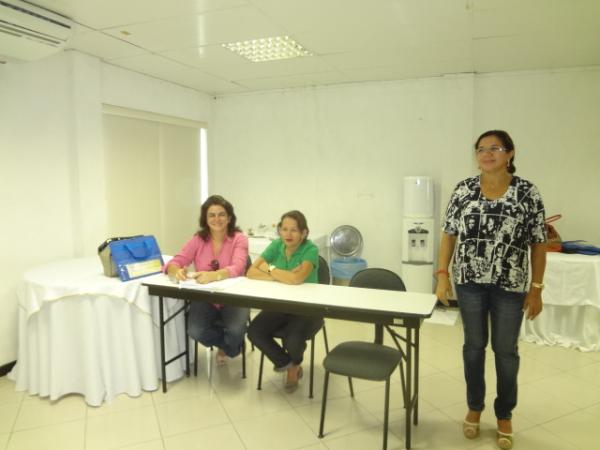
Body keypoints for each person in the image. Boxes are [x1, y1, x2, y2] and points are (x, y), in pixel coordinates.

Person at [435, 130, 547, 450]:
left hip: (510, 285)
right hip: (469, 282)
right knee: (473, 347)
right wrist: (442, 275)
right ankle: (474, 406)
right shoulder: (464, 190)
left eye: (494, 148)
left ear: (509, 154)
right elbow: (449, 235)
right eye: (481, 149)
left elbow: (540, 243)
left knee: (505, 351)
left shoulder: (527, 193)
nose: (487, 154)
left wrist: (536, 289)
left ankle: (504, 414)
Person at [165, 195, 249, 363]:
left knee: (235, 332)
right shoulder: (198, 239)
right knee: (195, 331)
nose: (216, 219)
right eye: (211, 215)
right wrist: (176, 272)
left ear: (229, 218)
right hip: (205, 297)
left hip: (234, 296)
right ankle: (228, 344)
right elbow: (176, 261)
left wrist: (214, 275)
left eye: (221, 214)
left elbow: (238, 267)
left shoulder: (239, 238)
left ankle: (233, 343)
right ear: (205, 218)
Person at [246, 210, 321, 392]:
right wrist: (280, 276)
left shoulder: (310, 249)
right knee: (254, 332)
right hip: (279, 305)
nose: (288, 234)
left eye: (294, 230)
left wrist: (269, 269)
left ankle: (293, 363)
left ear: (304, 233)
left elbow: (297, 279)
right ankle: (289, 364)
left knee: (292, 340)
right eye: (284, 229)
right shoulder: (277, 245)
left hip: (306, 308)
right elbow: (250, 272)